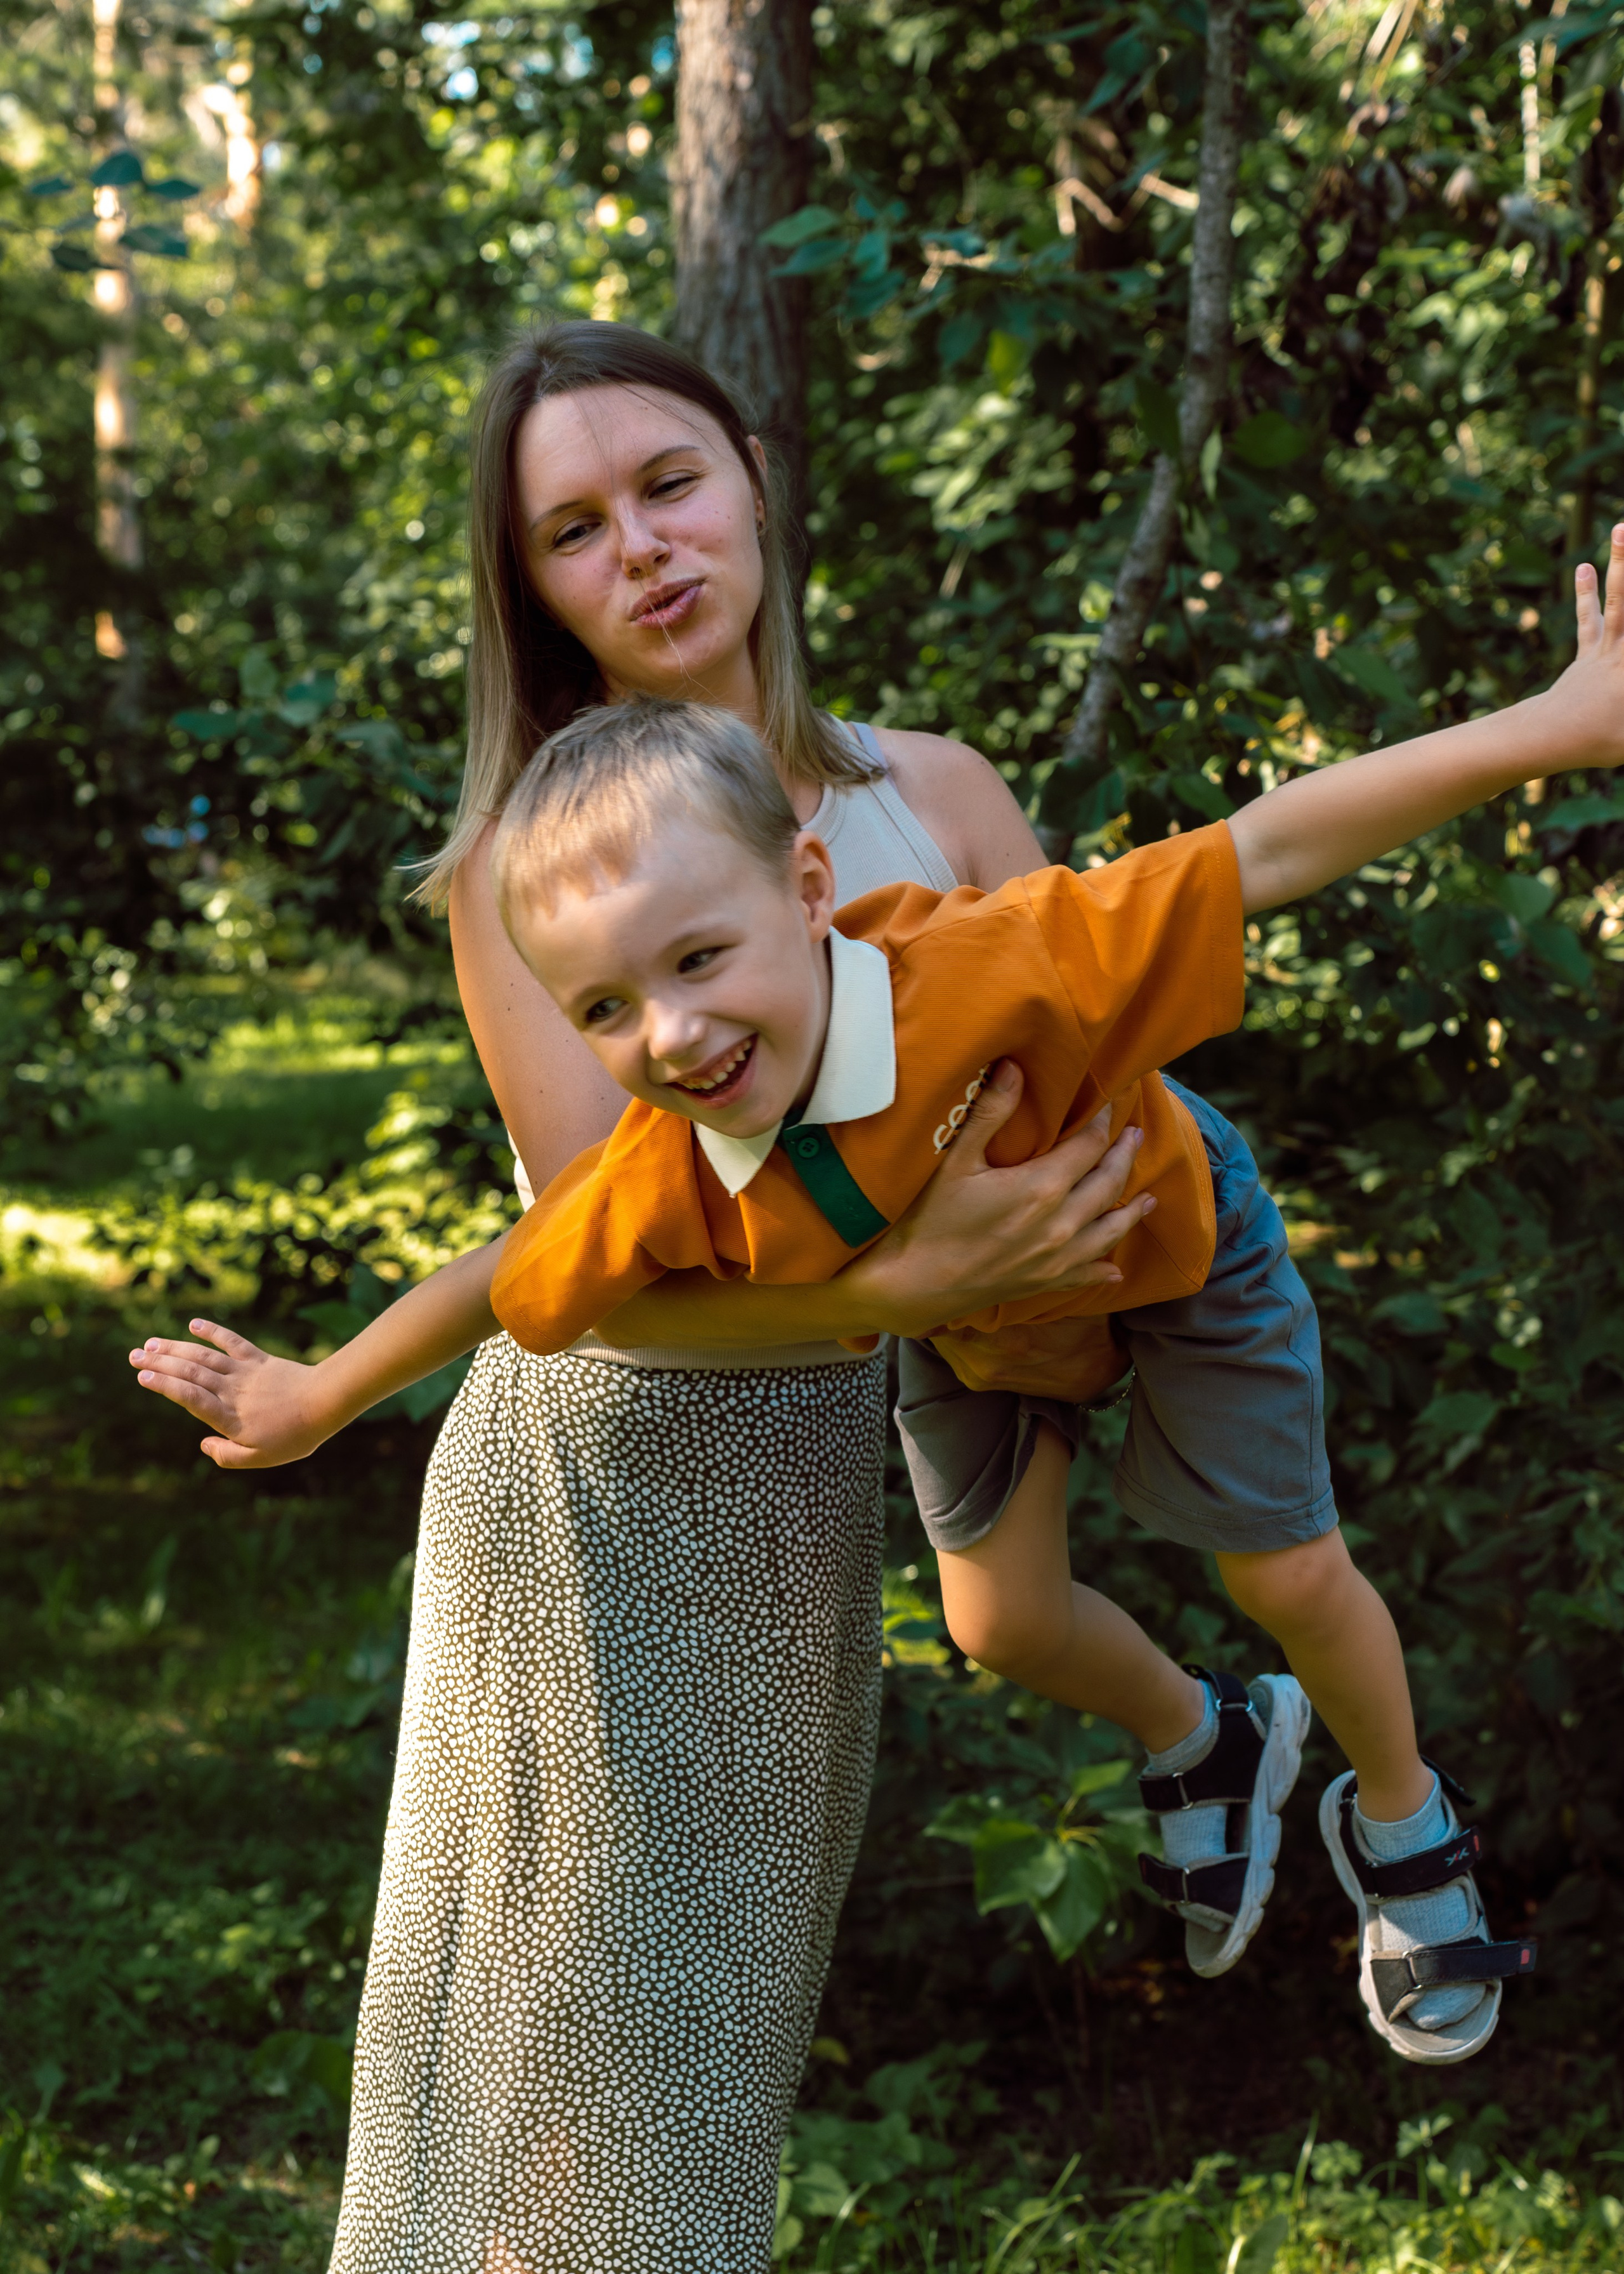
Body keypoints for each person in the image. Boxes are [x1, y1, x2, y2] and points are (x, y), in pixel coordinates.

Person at [125, 319, 1158, 2274]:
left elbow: (1090, 1101)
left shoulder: (939, 800)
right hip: (599, 1504)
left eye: (669, 485)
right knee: (562, 2137)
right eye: (575, 531)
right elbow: (595, 1275)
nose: (645, 551)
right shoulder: (530, 860)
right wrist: (922, 1277)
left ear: (756, 472)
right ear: (532, 594)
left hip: (804, 1507)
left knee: (691, 2108)